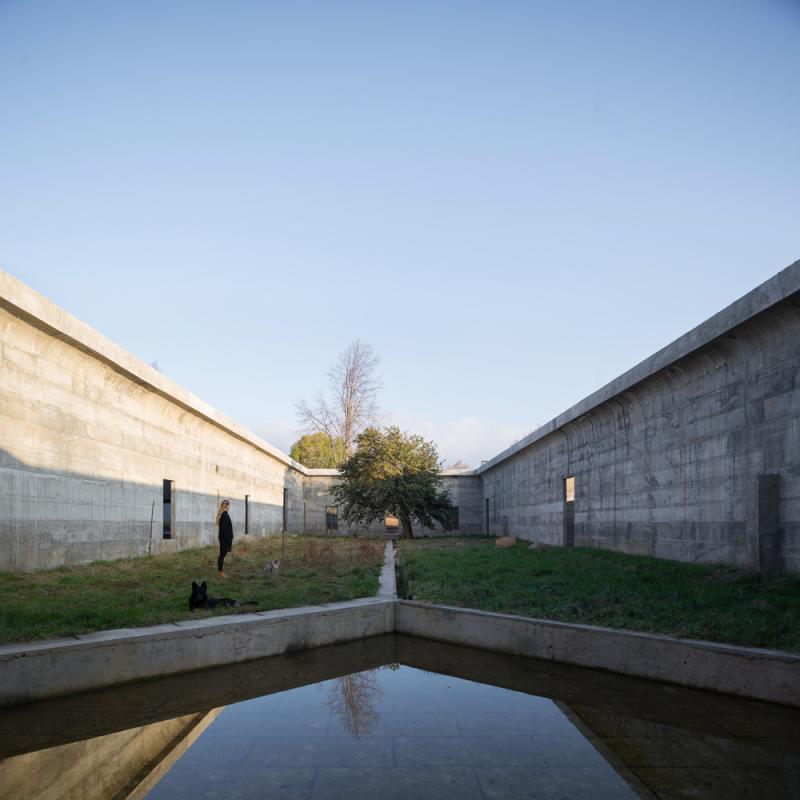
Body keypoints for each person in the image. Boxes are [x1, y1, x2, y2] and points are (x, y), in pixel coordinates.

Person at [215, 499, 233, 578]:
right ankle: (221, 572)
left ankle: (221, 571)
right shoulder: (225, 515)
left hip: (224, 538)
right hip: (224, 539)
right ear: (227, 506)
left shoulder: (225, 514)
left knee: (222, 555)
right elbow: (224, 529)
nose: (230, 507)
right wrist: (228, 539)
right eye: (229, 505)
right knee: (222, 555)